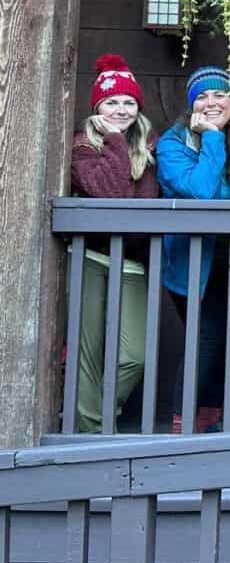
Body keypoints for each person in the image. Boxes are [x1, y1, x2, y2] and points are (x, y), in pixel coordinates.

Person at [157, 67, 230, 434]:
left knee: (221, 338)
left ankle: (207, 423)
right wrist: (211, 138)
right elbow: (201, 193)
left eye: (219, 95)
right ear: (191, 105)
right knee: (209, 336)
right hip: (194, 261)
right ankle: (183, 429)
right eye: (202, 97)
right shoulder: (174, 143)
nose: (211, 102)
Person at [69, 54, 159, 432]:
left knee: (132, 356)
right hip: (89, 257)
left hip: (133, 262)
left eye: (128, 103)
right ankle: (89, 437)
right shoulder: (81, 147)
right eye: (111, 102)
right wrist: (116, 140)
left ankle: (96, 419)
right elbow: (109, 191)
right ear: (97, 107)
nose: (120, 110)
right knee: (87, 357)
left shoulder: (152, 147)